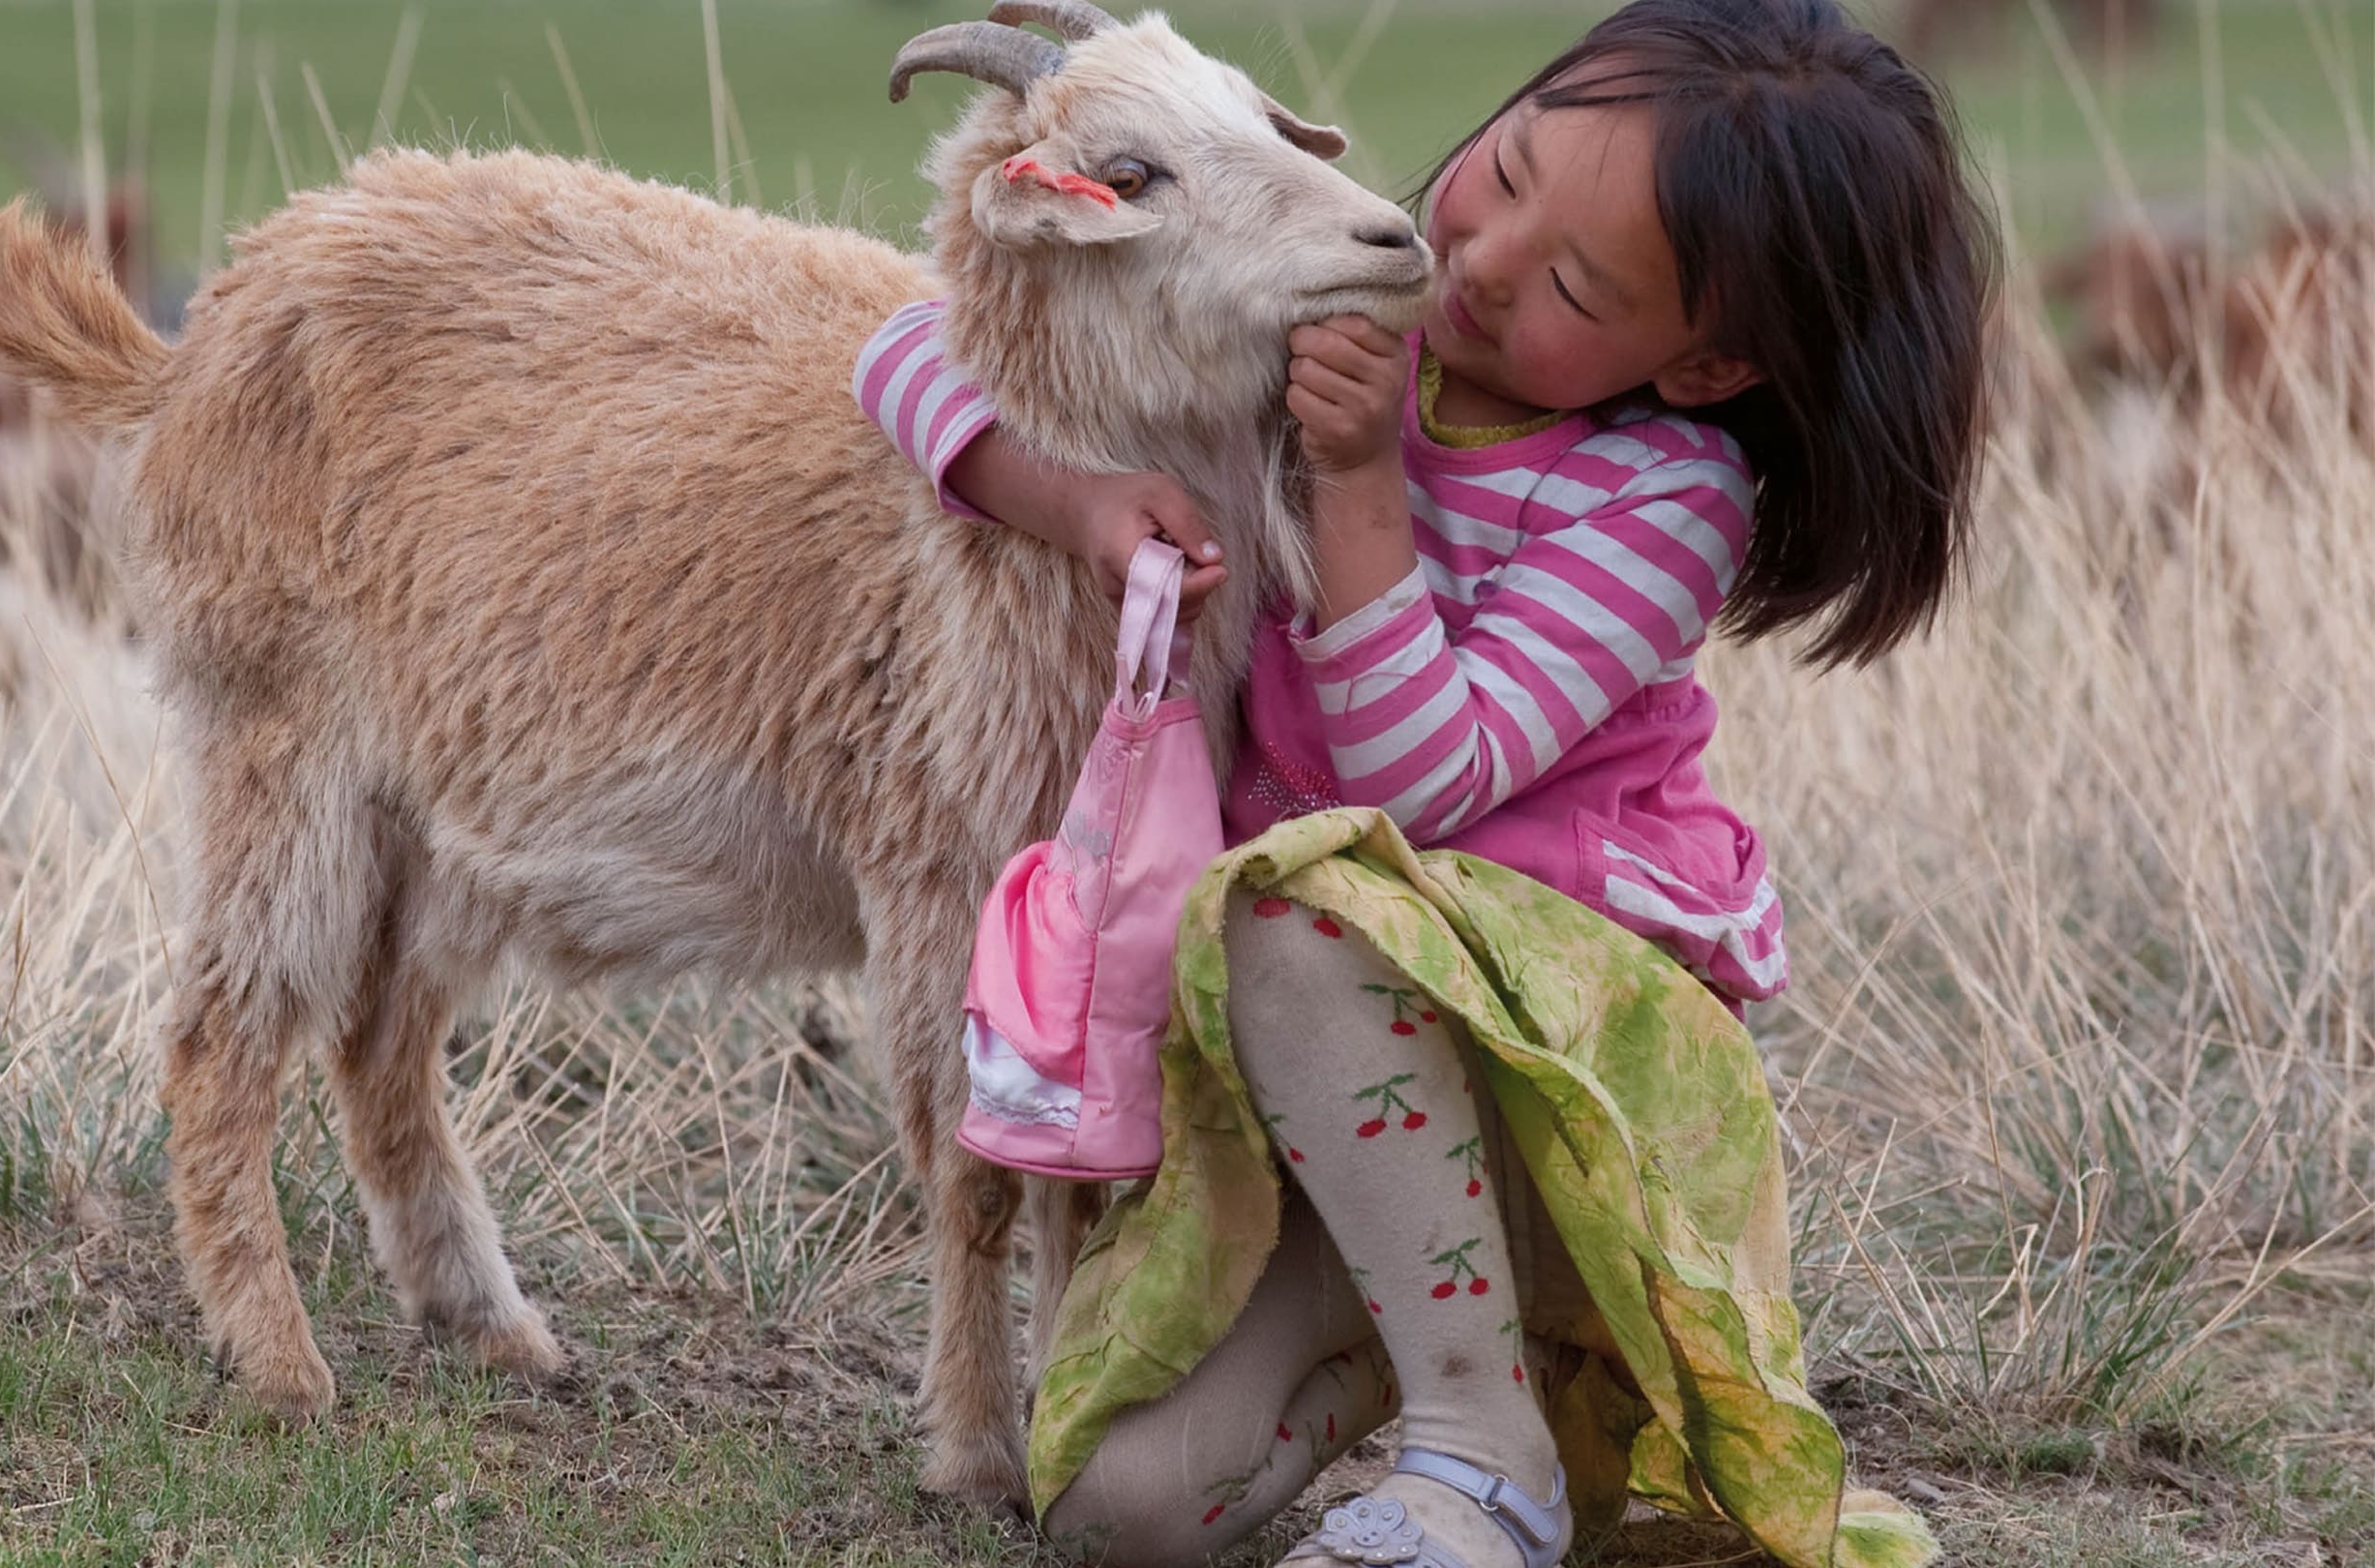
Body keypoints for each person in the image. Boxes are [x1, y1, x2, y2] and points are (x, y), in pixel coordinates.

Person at [850, 0, 1991, 1562]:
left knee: (1296, 918)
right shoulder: (1363, 293)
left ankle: (1480, 1447)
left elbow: (1418, 786)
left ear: (1711, 361)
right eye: (1505, 169)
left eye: (1575, 282)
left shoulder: (1661, 503)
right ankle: (1437, 1338)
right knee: (1119, 1508)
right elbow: (912, 347)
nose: (1483, 257)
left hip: (1537, 1078)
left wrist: (1363, 481)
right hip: (1340, 1114)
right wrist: (1078, 497)